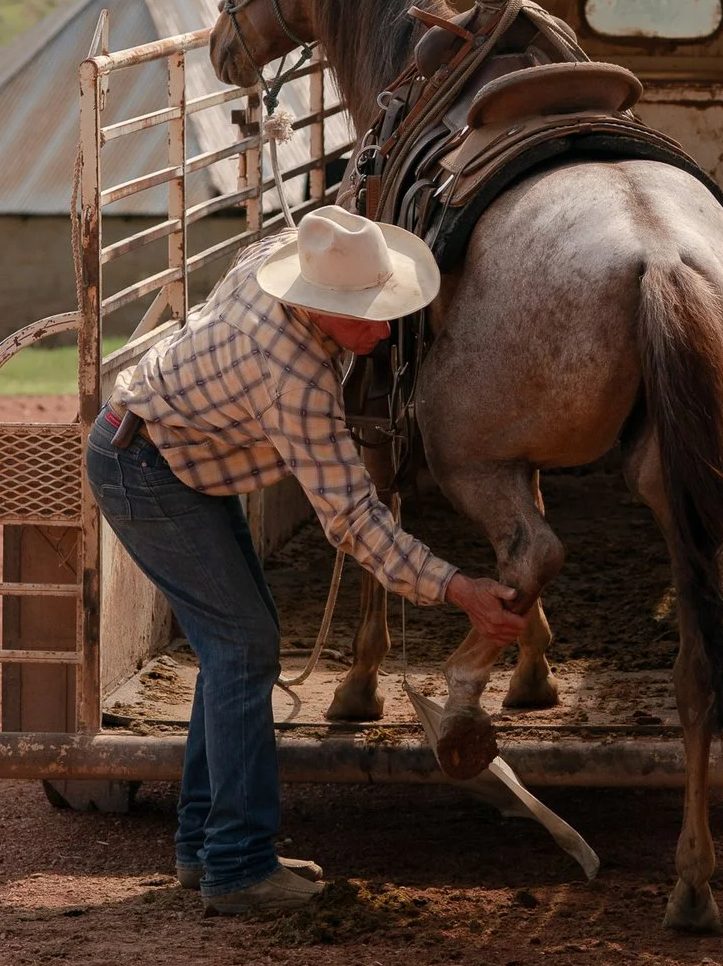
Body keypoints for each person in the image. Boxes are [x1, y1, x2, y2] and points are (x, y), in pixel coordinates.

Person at [88, 207, 529, 914]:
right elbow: (352, 519)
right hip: (147, 465)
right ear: (319, 305)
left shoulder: (283, 262)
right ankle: (237, 865)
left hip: (176, 451)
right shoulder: (293, 375)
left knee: (236, 642)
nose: (383, 330)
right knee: (242, 645)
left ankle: (207, 845)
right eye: (367, 315)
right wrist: (457, 587)